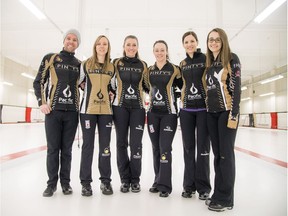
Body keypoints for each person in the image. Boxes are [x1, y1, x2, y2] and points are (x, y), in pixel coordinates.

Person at [33, 29, 81, 197]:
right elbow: (39, 81)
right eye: (68, 38)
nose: (71, 41)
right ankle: (51, 184)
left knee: (66, 150)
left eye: (75, 40)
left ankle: (65, 184)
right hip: (53, 112)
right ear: (64, 40)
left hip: (72, 113)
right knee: (53, 149)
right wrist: (42, 102)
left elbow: (84, 86)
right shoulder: (51, 58)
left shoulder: (79, 64)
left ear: (78, 44)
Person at [203, 28, 241, 212]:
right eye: (211, 40)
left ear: (223, 41)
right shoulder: (210, 64)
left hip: (227, 112)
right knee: (217, 156)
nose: (214, 43)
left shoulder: (232, 59)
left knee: (226, 155)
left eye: (217, 40)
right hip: (212, 114)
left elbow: (238, 89)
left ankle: (226, 199)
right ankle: (218, 194)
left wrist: (233, 115)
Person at [78, 35, 115, 196]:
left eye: (104, 44)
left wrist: (112, 93)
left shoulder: (112, 67)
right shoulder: (86, 64)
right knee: (88, 146)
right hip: (88, 111)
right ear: (95, 46)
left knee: (105, 147)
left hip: (106, 112)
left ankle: (105, 181)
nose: (101, 46)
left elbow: (114, 87)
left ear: (108, 47)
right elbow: (78, 81)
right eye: (99, 44)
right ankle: (86, 183)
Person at [144, 40, 182, 198]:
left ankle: (165, 184)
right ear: (153, 52)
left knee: (165, 147)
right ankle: (157, 180)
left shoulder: (175, 69)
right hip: (152, 114)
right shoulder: (149, 71)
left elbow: (183, 86)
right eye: (157, 50)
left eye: (162, 50)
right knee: (156, 148)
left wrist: (177, 96)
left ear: (167, 51)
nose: (159, 53)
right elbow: (145, 87)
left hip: (169, 114)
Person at [111, 35, 148, 193]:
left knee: (136, 144)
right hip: (120, 108)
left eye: (134, 45)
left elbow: (148, 86)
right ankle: (124, 179)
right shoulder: (116, 63)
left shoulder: (143, 65)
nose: (131, 47)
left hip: (138, 109)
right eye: (128, 45)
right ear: (124, 46)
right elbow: (110, 84)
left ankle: (135, 180)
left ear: (137, 47)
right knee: (121, 143)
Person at [179, 31, 211, 200]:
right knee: (188, 149)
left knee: (204, 149)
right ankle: (188, 186)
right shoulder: (182, 63)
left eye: (192, 41)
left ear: (197, 42)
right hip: (186, 111)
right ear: (183, 44)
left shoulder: (206, 59)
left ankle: (204, 187)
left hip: (204, 110)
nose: (189, 44)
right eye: (186, 41)